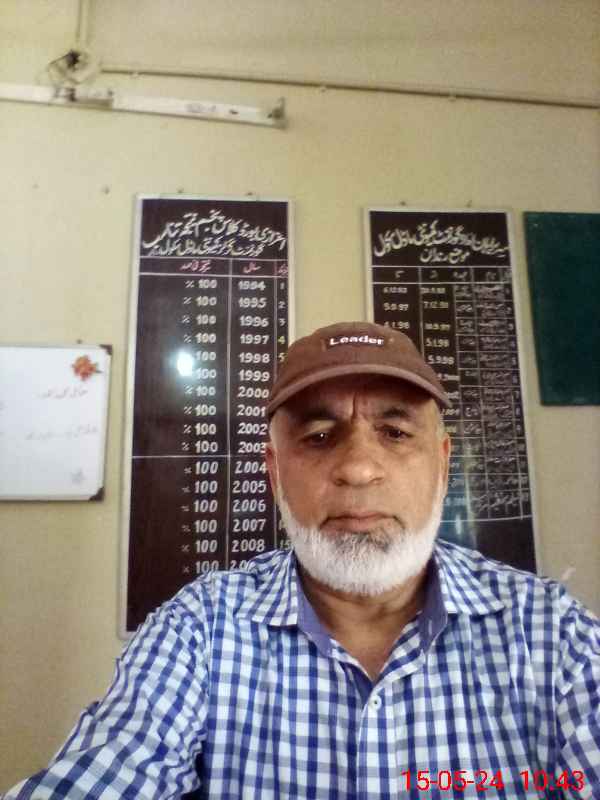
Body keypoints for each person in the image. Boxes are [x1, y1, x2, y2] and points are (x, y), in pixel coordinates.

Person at [5, 321, 600, 799]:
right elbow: (115, 763)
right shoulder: (199, 630)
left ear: (443, 464)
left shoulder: (551, 633)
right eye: (318, 437)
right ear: (273, 472)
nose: (358, 469)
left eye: (395, 433)